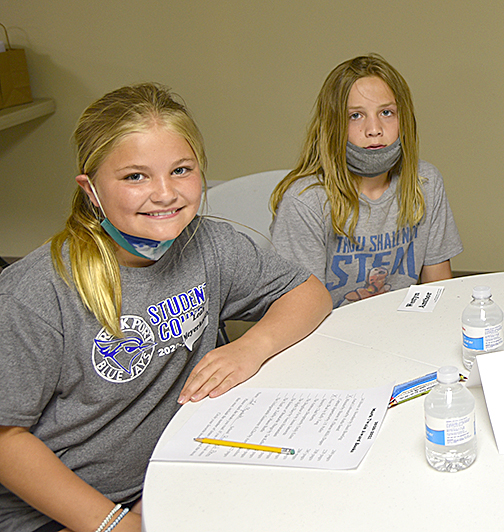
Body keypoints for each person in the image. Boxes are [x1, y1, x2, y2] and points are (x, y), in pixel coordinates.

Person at [0, 83, 332, 532]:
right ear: (91, 189)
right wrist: (115, 524)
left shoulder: (211, 244)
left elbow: (308, 292)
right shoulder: (37, 291)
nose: (165, 194)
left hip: (169, 475)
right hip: (64, 510)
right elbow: (6, 439)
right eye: (135, 176)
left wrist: (251, 347)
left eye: (181, 170)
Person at [270, 54, 462, 307]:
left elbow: (438, 288)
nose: (374, 129)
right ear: (333, 125)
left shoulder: (425, 182)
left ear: (403, 119)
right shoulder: (305, 201)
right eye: (356, 116)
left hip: (405, 330)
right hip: (330, 336)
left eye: (386, 112)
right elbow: (299, 310)